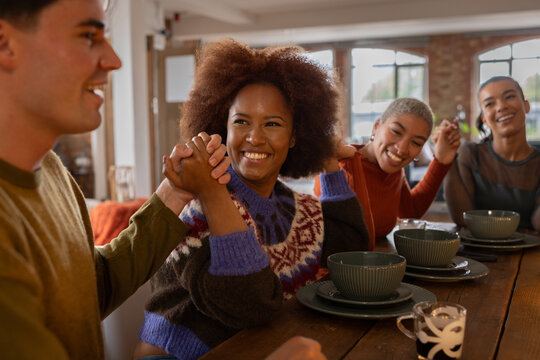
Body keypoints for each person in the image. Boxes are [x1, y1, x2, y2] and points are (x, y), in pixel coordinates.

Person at [0, 0, 234, 358]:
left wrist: (174, 192)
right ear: (5, 43)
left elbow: (91, 289)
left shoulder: (51, 172)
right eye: (88, 35)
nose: (114, 59)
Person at [133, 38, 370, 360]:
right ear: (223, 128)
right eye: (241, 121)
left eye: (272, 124)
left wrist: (328, 163)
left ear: (294, 137)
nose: (254, 137)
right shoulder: (195, 207)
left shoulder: (299, 207)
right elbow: (248, 305)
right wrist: (214, 191)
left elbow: (350, 258)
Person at [315, 98, 461, 242]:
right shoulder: (342, 164)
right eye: (396, 131)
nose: (402, 149)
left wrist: (441, 160)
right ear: (377, 125)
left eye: (416, 142)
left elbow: (410, 211)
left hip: (378, 261)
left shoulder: (394, 172)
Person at [444, 76, 540, 230]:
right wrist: (447, 161)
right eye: (490, 104)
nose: (501, 107)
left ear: (526, 106)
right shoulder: (470, 154)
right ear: (485, 119)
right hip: (477, 252)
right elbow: (462, 217)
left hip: (529, 253)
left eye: (509, 97)